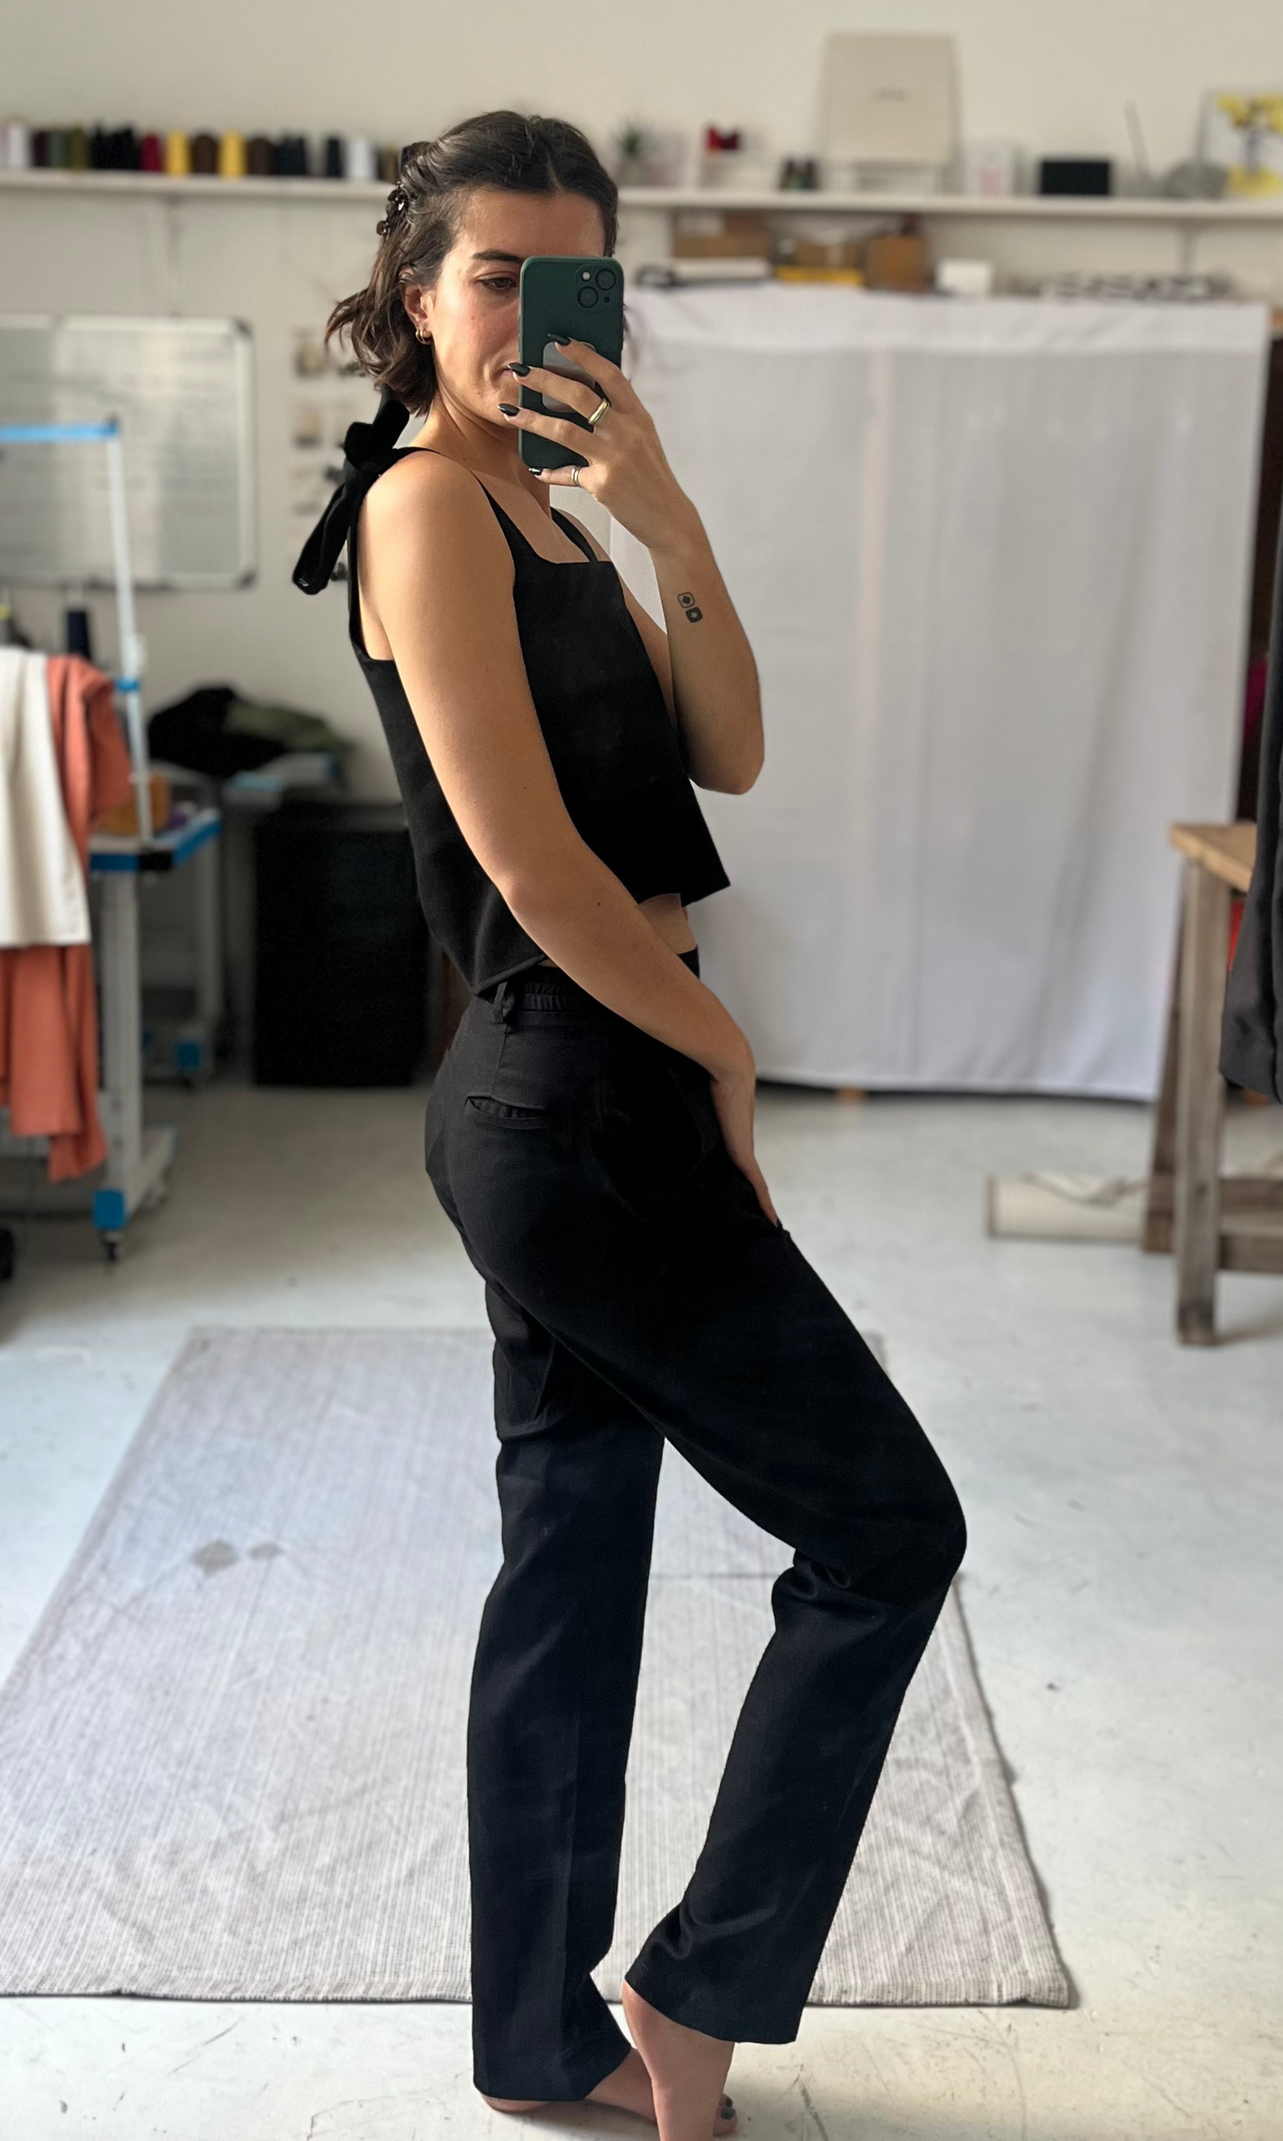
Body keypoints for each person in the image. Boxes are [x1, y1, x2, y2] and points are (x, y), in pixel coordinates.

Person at [297, 109, 967, 2141]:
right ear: (418, 296)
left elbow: (728, 749)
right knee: (886, 1528)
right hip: (576, 1093)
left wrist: (666, 515)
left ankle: (542, 2035)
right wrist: (723, 1053)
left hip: (575, 1095)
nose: (528, 314)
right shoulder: (427, 504)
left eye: (568, 275)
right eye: (494, 273)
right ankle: (691, 1990)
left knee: (573, 1570)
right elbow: (530, 867)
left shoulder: (561, 508)